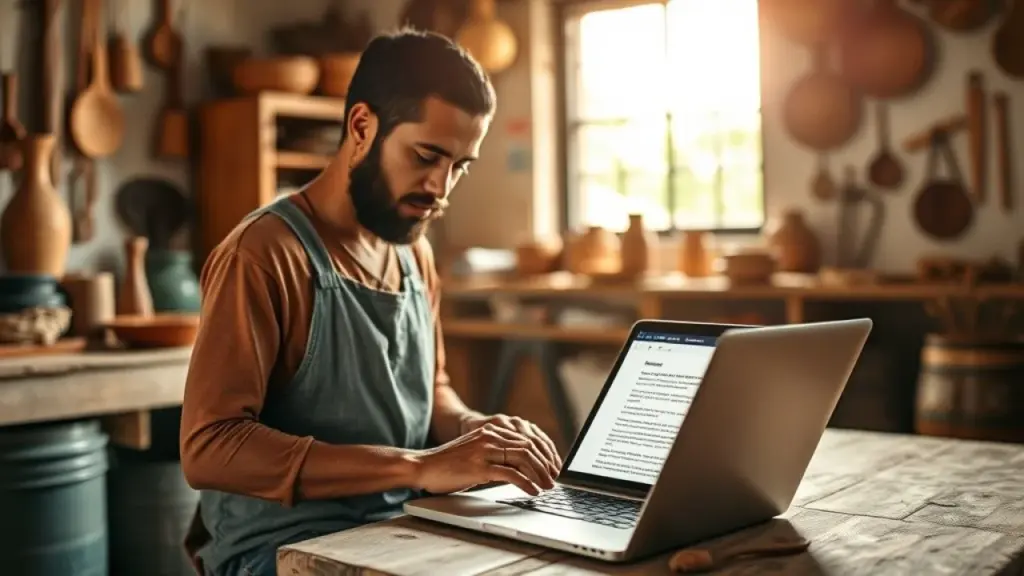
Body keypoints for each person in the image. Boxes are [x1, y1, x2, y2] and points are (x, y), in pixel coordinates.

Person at [178, 29, 562, 576]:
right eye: (426, 155)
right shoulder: (264, 254)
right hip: (281, 551)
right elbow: (209, 447)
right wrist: (418, 466)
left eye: (459, 165)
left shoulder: (414, 253)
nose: (441, 187)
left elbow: (430, 395)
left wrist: (481, 435)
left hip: (398, 528)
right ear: (361, 127)